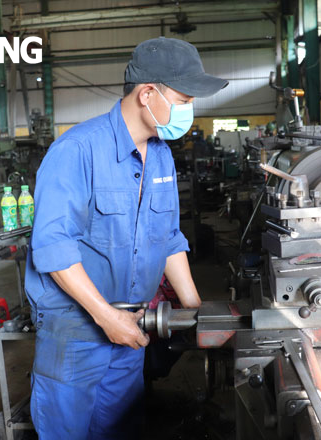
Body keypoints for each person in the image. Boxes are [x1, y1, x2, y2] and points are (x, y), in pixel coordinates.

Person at [24, 37, 228, 439]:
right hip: (77, 328)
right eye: (184, 100)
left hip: (131, 323)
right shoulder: (76, 151)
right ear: (147, 93)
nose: (189, 111)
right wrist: (105, 316)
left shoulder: (161, 155)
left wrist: (196, 310)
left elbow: (168, 237)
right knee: (68, 431)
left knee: (120, 428)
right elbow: (53, 246)